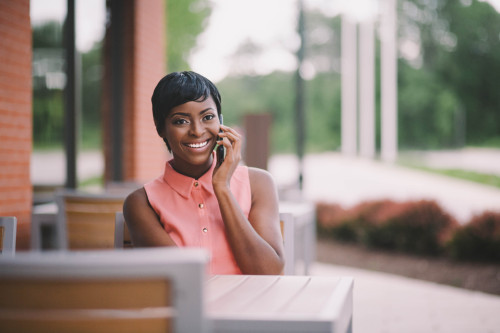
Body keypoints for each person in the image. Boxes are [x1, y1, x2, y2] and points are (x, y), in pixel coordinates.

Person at [123, 71, 285, 275]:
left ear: (221, 122)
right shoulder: (141, 202)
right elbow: (179, 280)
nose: (197, 131)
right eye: (180, 121)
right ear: (160, 128)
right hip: (190, 308)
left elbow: (268, 271)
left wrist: (222, 188)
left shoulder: (259, 183)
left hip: (252, 306)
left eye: (208, 117)